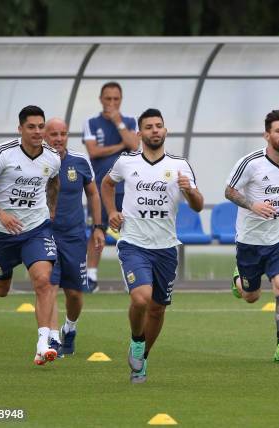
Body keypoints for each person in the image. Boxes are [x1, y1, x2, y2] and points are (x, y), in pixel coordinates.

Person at [101, 108, 203, 383]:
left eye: (159, 126)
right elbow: (107, 184)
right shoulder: (126, 162)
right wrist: (111, 211)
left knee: (157, 308)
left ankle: (142, 360)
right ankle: (136, 340)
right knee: (141, 298)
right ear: (140, 133)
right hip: (134, 243)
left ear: (165, 131)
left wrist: (190, 191)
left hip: (166, 247)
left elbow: (198, 205)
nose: (155, 130)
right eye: (149, 127)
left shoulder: (180, 165)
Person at [0, 105, 61, 366]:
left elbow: (54, 182)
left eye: (41, 126)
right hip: (3, 233)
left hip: (37, 229)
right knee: (2, 289)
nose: (37, 132)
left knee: (43, 280)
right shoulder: (4, 154)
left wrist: (51, 211)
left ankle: (43, 342)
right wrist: (1, 214)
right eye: (31, 127)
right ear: (20, 128)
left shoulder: (52, 157)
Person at [226, 110, 279, 363]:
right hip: (250, 240)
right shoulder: (251, 163)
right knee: (252, 296)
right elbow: (229, 191)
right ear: (267, 135)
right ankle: (239, 282)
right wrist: (253, 206)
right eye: (278, 131)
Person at [44, 118, 106, 357]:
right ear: (45, 136)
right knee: (48, 286)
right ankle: (51, 340)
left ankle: (69, 328)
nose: (58, 138)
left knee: (74, 294)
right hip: (44, 235)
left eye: (63, 133)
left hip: (74, 237)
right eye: (54, 134)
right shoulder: (37, 163)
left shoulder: (79, 162)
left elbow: (93, 193)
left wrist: (98, 227)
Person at [83, 81, 139, 292]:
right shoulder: (91, 122)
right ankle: (91, 276)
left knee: (130, 233)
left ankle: (133, 276)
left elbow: (134, 146)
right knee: (97, 229)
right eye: (108, 98)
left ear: (121, 100)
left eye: (116, 99)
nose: (112, 103)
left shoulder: (130, 121)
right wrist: (120, 146)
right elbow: (93, 152)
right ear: (101, 99)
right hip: (99, 189)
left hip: (128, 189)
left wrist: (119, 123)